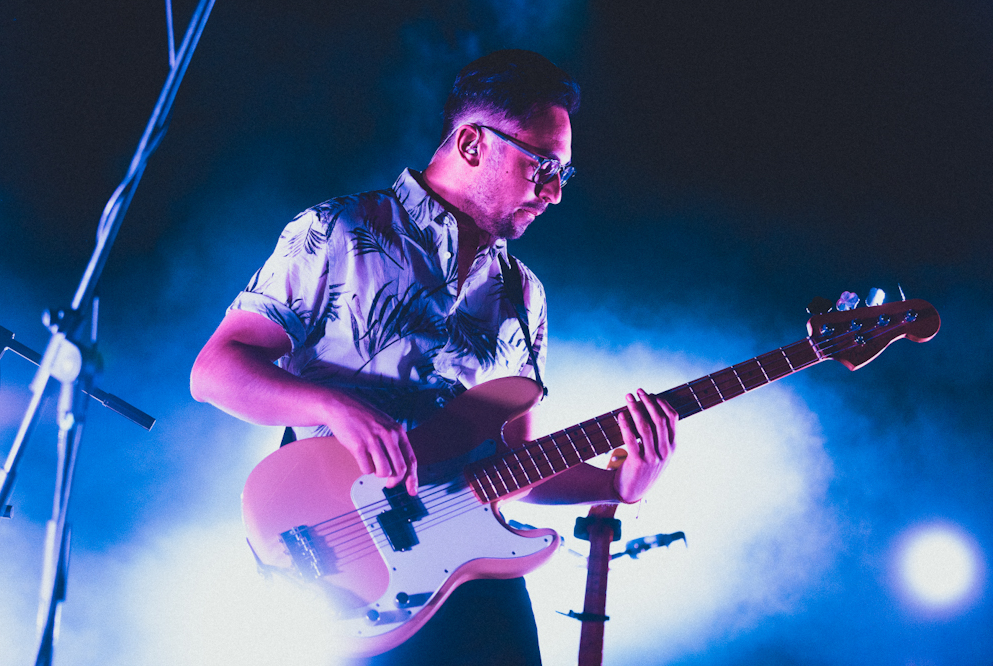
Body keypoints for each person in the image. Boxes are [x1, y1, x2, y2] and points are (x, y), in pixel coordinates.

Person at [190, 49, 678, 666]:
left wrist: (619, 484)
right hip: (346, 569)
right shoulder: (340, 231)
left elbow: (513, 468)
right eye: (543, 166)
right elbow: (214, 371)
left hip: (475, 581)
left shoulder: (524, 294)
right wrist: (335, 408)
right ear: (472, 142)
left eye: (565, 174)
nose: (554, 194)